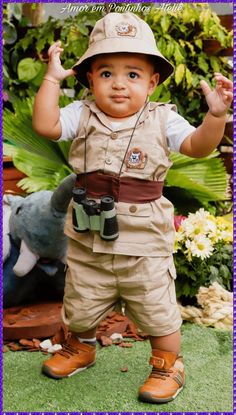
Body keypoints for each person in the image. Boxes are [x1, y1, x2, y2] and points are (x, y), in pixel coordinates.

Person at [33, 12, 232, 403]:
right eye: (106, 73)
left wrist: (216, 117)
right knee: (81, 300)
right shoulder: (81, 113)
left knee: (156, 307)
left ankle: (167, 364)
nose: (119, 83)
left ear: (153, 81)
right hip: (90, 237)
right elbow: (46, 125)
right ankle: (82, 345)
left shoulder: (163, 119)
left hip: (144, 244)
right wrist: (52, 80)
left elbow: (197, 146)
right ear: (90, 79)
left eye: (133, 74)